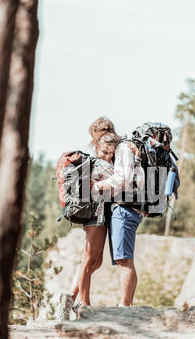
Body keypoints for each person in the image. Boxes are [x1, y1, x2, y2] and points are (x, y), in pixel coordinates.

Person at [59, 118, 119, 319]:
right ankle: (84, 305)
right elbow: (114, 179)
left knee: (97, 261)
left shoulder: (104, 155)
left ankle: (69, 299)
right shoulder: (100, 162)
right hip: (95, 214)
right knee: (89, 260)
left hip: (101, 214)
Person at [91, 137, 145, 307]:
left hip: (125, 208)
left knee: (124, 260)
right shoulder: (124, 149)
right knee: (124, 260)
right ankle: (126, 302)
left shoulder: (122, 149)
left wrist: (98, 186)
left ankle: (125, 305)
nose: (107, 155)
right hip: (126, 208)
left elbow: (122, 179)